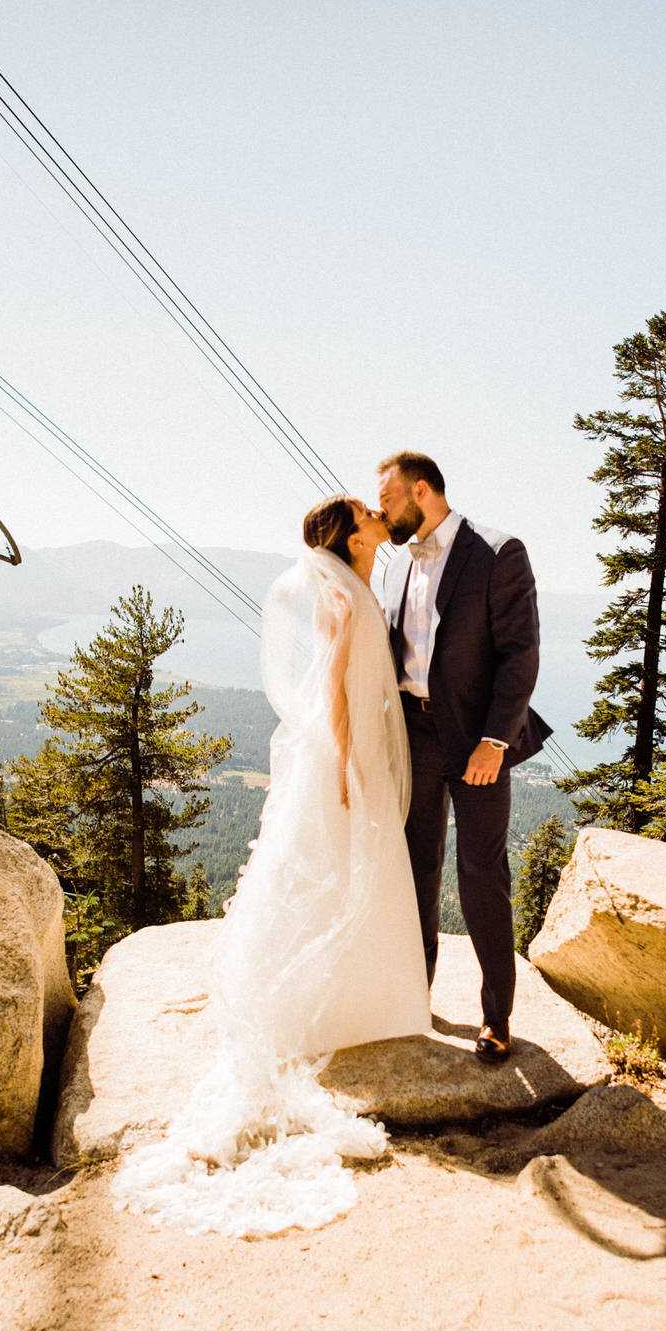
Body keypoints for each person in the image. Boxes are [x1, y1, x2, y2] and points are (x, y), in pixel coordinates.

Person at [112, 495, 430, 1237]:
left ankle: (369, 1002)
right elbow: (332, 692)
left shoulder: (354, 581)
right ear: (352, 535)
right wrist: (350, 766)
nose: (377, 515)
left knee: (350, 875)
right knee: (334, 871)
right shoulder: (335, 593)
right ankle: (340, 1005)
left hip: (351, 759)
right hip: (341, 760)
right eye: (366, 513)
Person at [378, 451, 551, 1061]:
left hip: (479, 741)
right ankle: (413, 996)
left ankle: (496, 1016)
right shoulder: (396, 562)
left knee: (482, 875)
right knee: (417, 871)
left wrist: (495, 741)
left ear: (421, 491)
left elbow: (520, 653)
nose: (382, 511)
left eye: (390, 499)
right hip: (414, 737)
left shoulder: (498, 552)